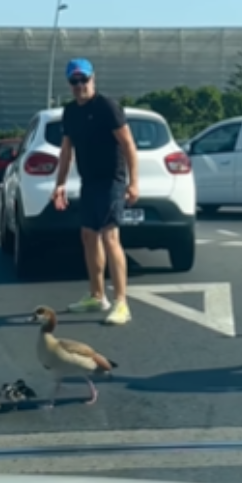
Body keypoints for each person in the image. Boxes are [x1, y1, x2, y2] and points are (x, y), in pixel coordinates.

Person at [51, 58, 138, 326]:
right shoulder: (70, 112)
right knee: (88, 235)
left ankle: (121, 302)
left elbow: (128, 144)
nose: (80, 86)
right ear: (69, 84)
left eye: (84, 79)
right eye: (74, 81)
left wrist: (133, 182)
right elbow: (67, 150)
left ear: (93, 79)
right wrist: (61, 184)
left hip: (111, 180)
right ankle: (96, 295)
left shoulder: (107, 107)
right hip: (89, 182)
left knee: (110, 236)